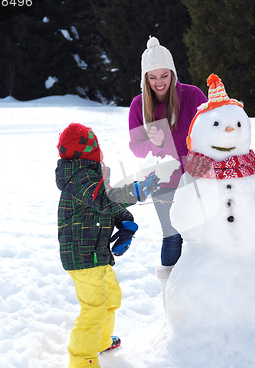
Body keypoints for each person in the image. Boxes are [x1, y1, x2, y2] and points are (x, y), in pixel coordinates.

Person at [56, 123, 159, 368]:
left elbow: (108, 206)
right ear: (91, 152)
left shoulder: (92, 175)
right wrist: (137, 190)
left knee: (111, 298)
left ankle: (101, 341)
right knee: (94, 308)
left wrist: (126, 222)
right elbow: (104, 200)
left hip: (96, 253)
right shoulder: (79, 176)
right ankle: (82, 361)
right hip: (82, 256)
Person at [128, 36, 207, 283]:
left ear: (172, 73)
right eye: (152, 77)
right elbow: (136, 149)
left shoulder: (192, 95)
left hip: (197, 177)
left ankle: (202, 284)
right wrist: (154, 142)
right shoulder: (139, 105)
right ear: (145, 78)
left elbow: (209, 131)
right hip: (162, 180)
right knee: (172, 233)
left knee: (199, 233)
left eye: (164, 76)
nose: (159, 83)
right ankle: (171, 289)